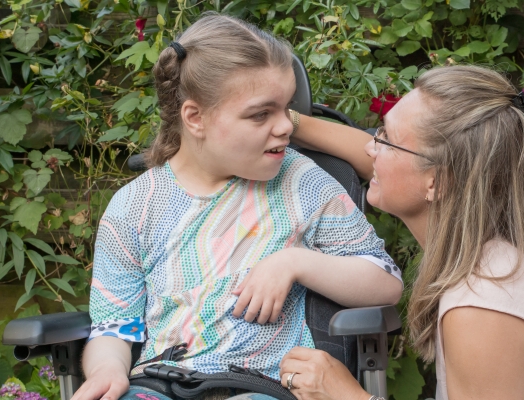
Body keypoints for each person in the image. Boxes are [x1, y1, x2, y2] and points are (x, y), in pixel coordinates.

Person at [71, 14, 403, 400]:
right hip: (159, 384)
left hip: (260, 386)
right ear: (195, 117)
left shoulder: (300, 181)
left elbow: (386, 284)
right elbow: (114, 327)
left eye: (286, 109)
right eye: (261, 114)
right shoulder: (134, 206)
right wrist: (107, 368)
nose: (285, 127)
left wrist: (294, 262)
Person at [277, 65, 524, 400]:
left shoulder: (481, 310)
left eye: (385, 138)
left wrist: (347, 396)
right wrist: (286, 119)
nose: (370, 146)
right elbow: (388, 157)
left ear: (438, 181)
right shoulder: (503, 257)